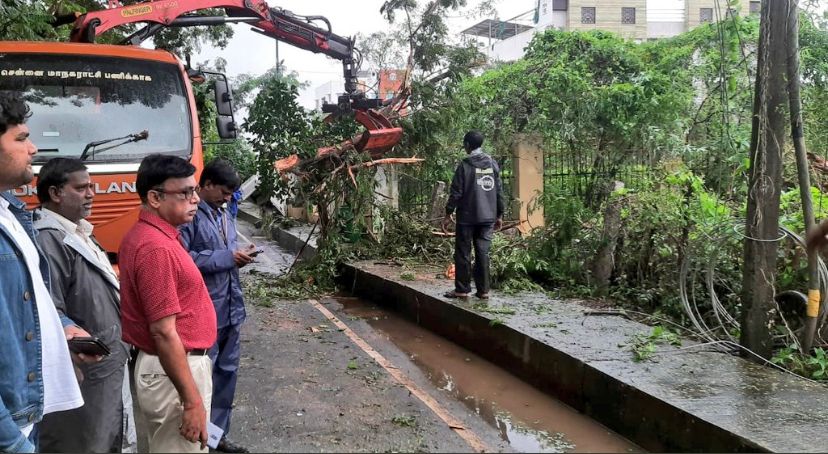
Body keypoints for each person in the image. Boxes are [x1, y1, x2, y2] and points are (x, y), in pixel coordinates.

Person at [0, 92, 87, 452]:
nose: (34, 148)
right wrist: (12, 443)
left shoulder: (12, 212)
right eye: (21, 138)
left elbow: (25, 299)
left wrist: (62, 327)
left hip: (26, 415)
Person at [34, 157, 136, 453]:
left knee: (106, 435)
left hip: (104, 366)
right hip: (83, 372)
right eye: (82, 188)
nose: (92, 194)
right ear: (55, 193)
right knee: (83, 440)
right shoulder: (48, 239)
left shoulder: (78, 232)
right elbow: (50, 312)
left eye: (91, 186)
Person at [119, 154, 217, 453]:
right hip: (174, 371)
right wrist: (192, 401)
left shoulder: (157, 236)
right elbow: (163, 331)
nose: (195, 199)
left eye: (195, 190)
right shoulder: (154, 248)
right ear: (155, 197)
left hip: (171, 369)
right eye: (185, 193)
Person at [180, 159, 254, 453]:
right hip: (206, 311)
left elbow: (226, 252)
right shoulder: (190, 217)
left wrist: (240, 255)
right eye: (223, 192)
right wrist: (227, 258)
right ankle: (197, 437)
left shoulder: (225, 214)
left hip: (231, 308)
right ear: (206, 184)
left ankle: (215, 437)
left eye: (230, 194)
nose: (227, 198)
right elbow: (185, 261)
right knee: (202, 379)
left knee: (226, 376)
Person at [442, 130, 504, 300]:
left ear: (467, 145)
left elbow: (456, 192)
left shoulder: (465, 166)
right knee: (483, 252)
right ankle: (483, 291)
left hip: (467, 218)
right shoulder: (492, 164)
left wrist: (448, 214)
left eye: (464, 144)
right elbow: (499, 190)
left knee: (463, 252)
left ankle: (462, 290)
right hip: (488, 218)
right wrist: (499, 214)